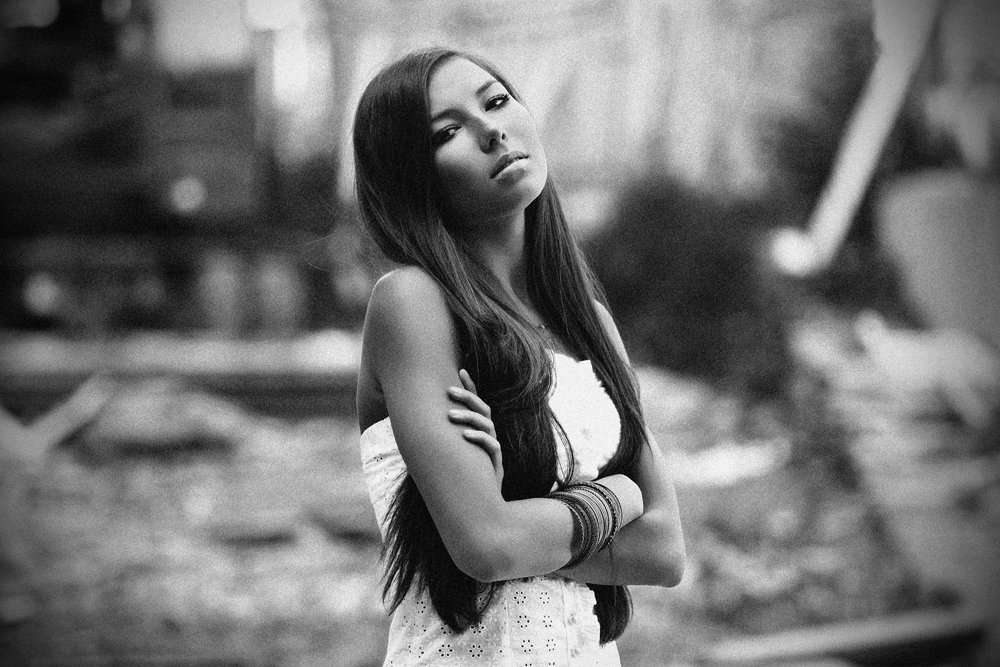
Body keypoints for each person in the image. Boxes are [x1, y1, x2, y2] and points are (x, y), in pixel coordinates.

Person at [354, 47, 685, 665]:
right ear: (410, 177)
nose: (492, 131)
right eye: (447, 132)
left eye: (497, 101)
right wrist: (618, 497)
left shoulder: (588, 323)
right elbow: (488, 546)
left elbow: (665, 551)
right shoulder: (413, 304)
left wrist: (526, 523)